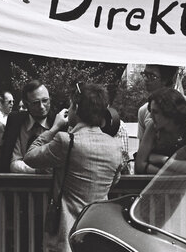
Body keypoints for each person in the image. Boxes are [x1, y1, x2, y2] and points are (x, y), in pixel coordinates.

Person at [25, 83, 122, 252]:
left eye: (70, 106)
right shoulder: (115, 146)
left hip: (67, 230)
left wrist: (54, 127)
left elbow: (30, 156)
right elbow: (114, 181)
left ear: (76, 108)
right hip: (98, 230)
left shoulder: (66, 141)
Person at [135, 87, 186, 174]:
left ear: (170, 112)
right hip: (154, 184)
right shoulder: (153, 127)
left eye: (156, 112)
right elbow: (139, 165)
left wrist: (161, 159)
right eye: (151, 111)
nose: (151, 116)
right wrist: (167, 174)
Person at [0, 80, 56, 173]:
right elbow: (13, 163)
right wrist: (37, 171)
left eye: (45, 100)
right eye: (36, 103)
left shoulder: (58, 123)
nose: (42, 106)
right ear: (26, 104)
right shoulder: (15, 121)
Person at [137, 64, 186, 141]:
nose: (146, 79)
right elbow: (141, 148)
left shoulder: (185, 103)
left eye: (152, 76)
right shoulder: (144, 110)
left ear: (165, 80)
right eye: (145, 74)